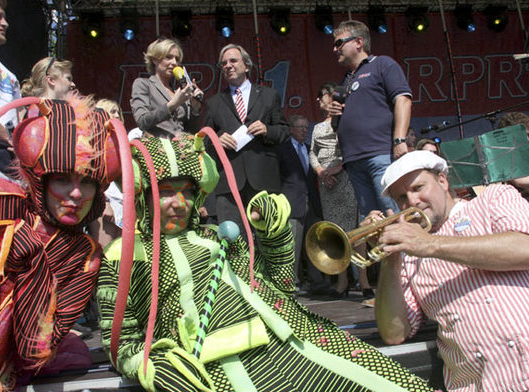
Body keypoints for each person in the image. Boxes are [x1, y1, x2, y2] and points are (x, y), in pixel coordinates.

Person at [96, 135, 434, 392]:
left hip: (297, 340)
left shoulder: (218, 235)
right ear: (143, 194)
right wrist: (150, 366)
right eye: (166, 191)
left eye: (187, 190)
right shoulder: (122, 256)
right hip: (219, 366)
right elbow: (121, 343)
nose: (179, 202)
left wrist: (274, 237)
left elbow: (281, 285)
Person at [372, 150, 529, 391]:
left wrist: (430, 245)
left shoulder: (493, 198)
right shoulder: (408, 254)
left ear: (442, 180)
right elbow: (394, 334)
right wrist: (391, 259)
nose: (411, 202)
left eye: (418, 187)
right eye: (400, 197)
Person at [0, 94, 118, 389]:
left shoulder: (84, 257)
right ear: (42, 182)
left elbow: (34, 350)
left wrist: (33, 267)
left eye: (87, 182)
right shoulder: (2, 206)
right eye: (63, 178)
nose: (76, 194)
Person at [329, 20, 412, 219]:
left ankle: (407, 251)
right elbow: (339, 125)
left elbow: (403, 100)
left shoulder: (382, 64)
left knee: (393, 214)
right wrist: (335, 115)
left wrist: (399, 140)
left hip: (380, 154)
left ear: (359, 42)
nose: (334, 49)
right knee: (371, 221)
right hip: (353, 161)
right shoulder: (346, 80)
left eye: (339, 43)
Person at [204, 43, 289, 235]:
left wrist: (267, 129)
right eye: (223, 63)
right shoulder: (214, 102)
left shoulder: (269, 95)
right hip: (228, 185)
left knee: (267, 238)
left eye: (233, 61)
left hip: (263, 181)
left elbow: (284, 131)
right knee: (232, 241)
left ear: (247, 65)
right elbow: (205, 142)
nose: (228, 66)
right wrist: (216, 139)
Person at [310, 83, 373, 300]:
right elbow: (312, 153)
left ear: (331, 96)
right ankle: (342, 281)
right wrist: (321, 172)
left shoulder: (346, 120)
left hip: (345, 178)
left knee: (355, 233)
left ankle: (363, 281)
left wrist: (336, 169)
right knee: (335, 232)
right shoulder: (317, 127)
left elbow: (353, 147)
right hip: (327, 187)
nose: (319, 101)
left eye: (321, 96)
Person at [276, 114, 325, 294]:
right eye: (301, 127)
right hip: (291, 203)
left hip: (311, 202)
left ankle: (316, 281)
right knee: (293, 245)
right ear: (291, 129)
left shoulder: (309, 149)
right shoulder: (281, 150)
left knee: (314, 243)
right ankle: (292, 282)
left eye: (306, 127)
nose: (305, 130)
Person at [131, 37, 202, 139]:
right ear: (155, 59)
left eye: (177, 59)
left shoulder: (180, 92)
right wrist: (173, 104)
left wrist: (195, 109)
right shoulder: (143, 84)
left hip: (181, 150)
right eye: (168, 57)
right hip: (157, 150)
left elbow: (191, 132)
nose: (174, 62)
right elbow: (142, 121)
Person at [0, 0, 21, 180]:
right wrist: (11, 140)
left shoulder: (8, 75)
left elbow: (19, 115)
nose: (5, 23)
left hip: (8, 167)